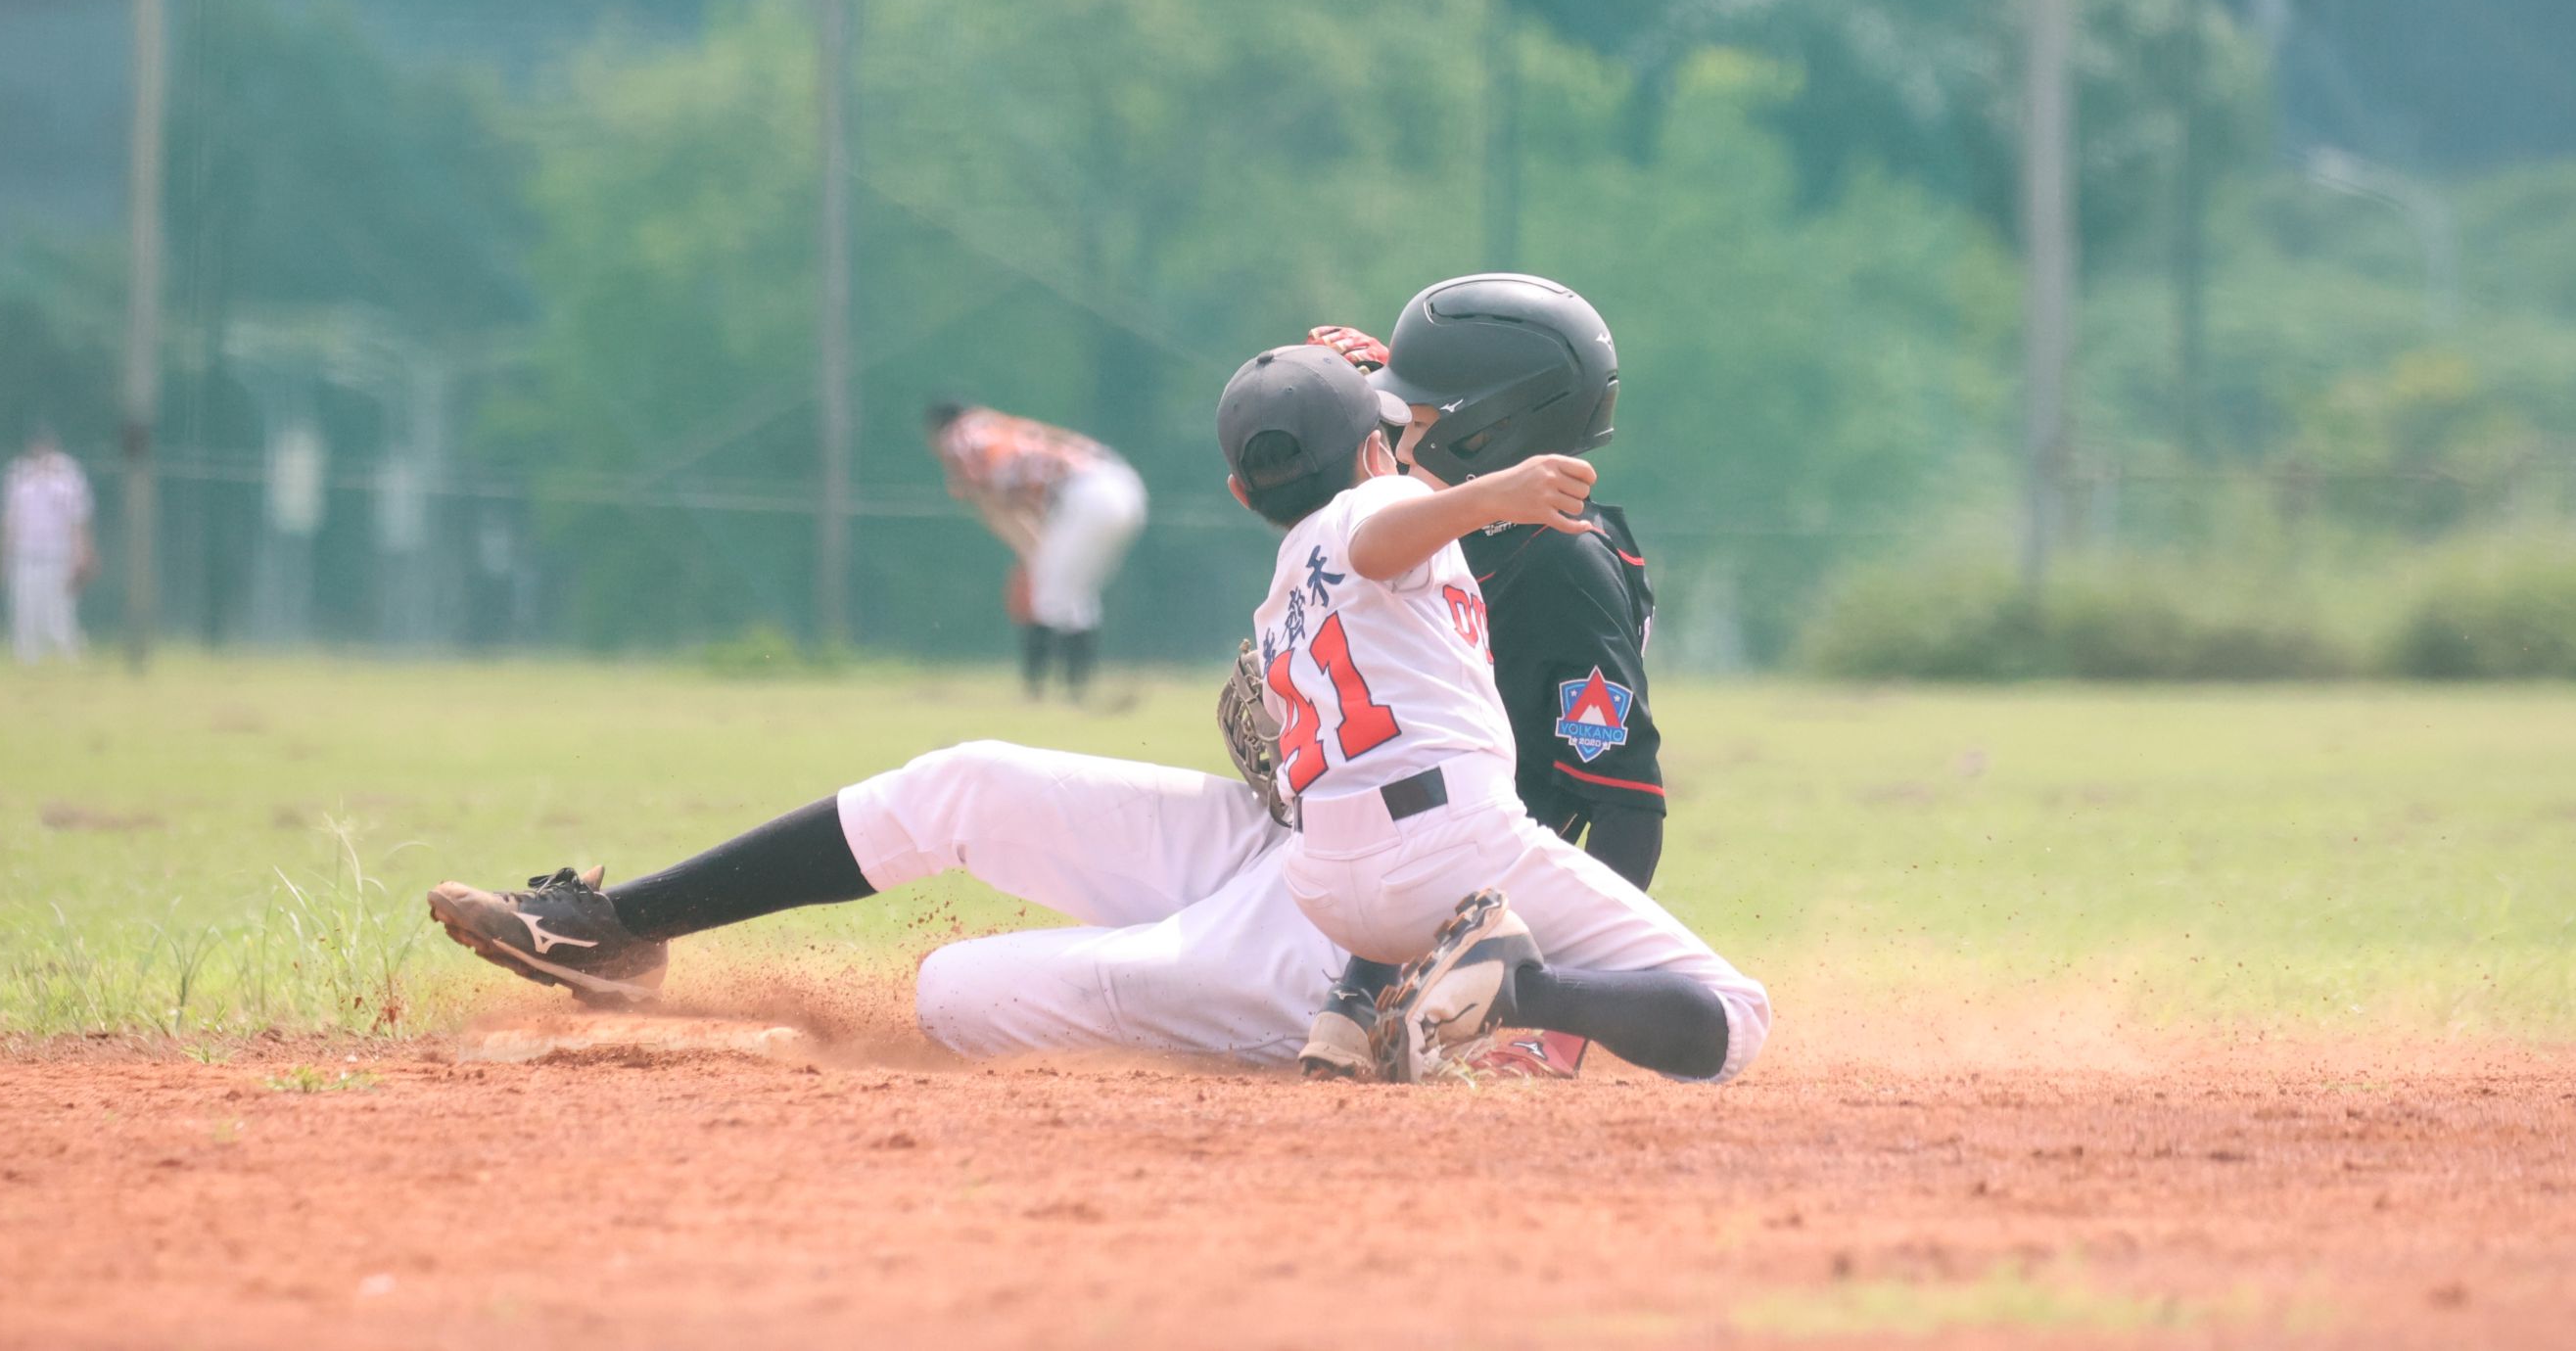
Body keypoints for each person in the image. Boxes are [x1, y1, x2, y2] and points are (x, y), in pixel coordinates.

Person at [425, 276, 1691, 1082]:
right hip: (1301, 846)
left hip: (1386, 929)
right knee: (968, 781)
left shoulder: (1560, 569)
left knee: (955, 992)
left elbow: (1621, 812)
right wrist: (1355, 394)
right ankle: (614, 932)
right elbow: (1370, 475)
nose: (1387, 414)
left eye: (1412, 405)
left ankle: (1399, 1024)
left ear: (1484, 432)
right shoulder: (1413, 503)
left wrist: (1548, 1024)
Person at [1218, 342, 1767, 1083]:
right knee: (1735, 1017)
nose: (1406, 450)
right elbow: (1376, 536)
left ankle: (1355, 1000)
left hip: (1325, 882)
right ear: (1375, 454)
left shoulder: (1287, 579)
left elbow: (1370, 521)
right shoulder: (1381, 505)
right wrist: (1493, 492)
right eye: (1395, 433)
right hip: (1447, 847)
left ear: (1240, 492)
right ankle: (1509, 987)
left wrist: (1343, 394)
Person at [925, 400, 1147, 700]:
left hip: (1085, 493)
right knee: (1074, 595)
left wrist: (1033, 555)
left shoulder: (958, 436)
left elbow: (994, 503)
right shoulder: (999, 424)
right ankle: (1075, 690)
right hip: (1123, 485)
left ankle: (1037, 690)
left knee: (1048, 593)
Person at [0, 429, 93, 664]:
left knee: (61, 610)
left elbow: (77, 520)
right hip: (26, 554)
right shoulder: (17, 474)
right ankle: (27, 656)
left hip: (59, 555)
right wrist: (4, 555)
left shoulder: (68, 474)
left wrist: (80, 555)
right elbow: (9, 519)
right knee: (25, 608)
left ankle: (67, 654)